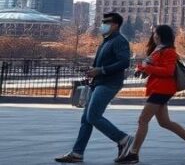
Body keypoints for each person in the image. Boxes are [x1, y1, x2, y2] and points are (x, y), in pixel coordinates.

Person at [55, 12, 135, 163]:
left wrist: (101, 70)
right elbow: (103, 63)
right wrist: (93, 71)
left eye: (106, 22)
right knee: (86, 119)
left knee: (93, 116)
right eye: (102, 21)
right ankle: (77, 153)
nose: (102, 24)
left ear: (116, 25)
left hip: (109, 83)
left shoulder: (119, 40)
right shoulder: (106, 41)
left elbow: (124, 62)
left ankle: (123, 139)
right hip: (99, 82)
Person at [114, 25, 185, 163]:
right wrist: (141, 69)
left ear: (160, 35)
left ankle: (133, 153)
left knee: (143, 120)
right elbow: (153, 67)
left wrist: (148, 68)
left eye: (155, 33)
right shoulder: (157, 50)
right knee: (164, 122)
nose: (153, 36)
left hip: (163, 89)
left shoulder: (169, 51)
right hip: (158, 88)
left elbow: (168, 71)